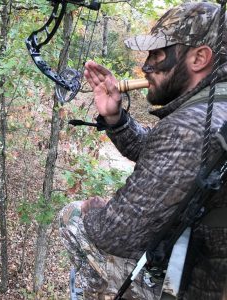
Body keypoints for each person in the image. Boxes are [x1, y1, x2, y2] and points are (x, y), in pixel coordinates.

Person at [59, 2, 227, 300]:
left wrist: (92, 210)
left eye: (158, 55)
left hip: (197, 284)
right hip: (201, 266)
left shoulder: (195, 124)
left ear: (199, 57)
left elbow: (115, 233)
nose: (146, 66)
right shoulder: (213, 108)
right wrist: (115, 117)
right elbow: (157, 151)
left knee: (72, 217)